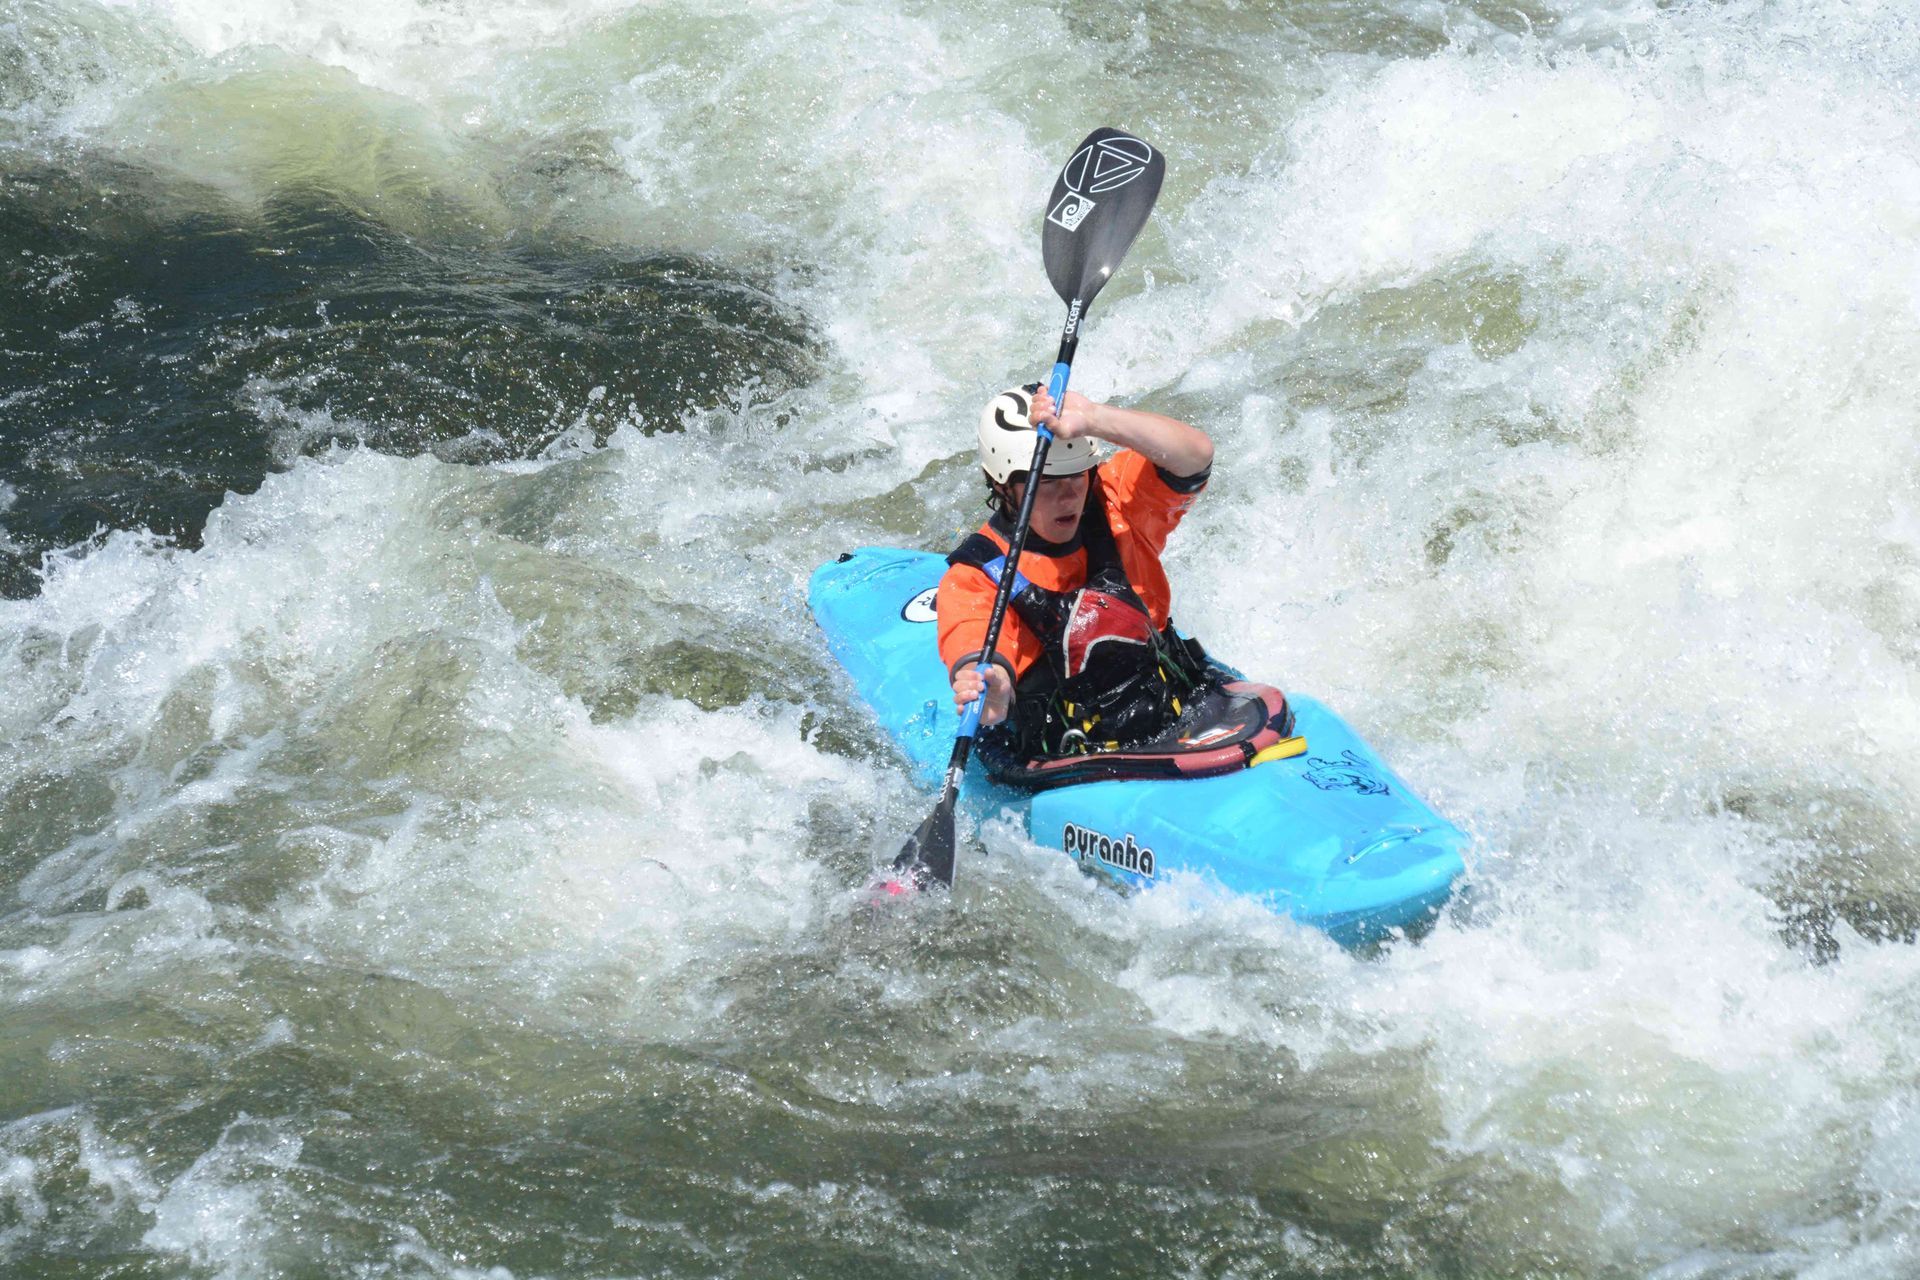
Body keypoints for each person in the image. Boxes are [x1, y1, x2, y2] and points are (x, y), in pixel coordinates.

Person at [937, 383, 1216, 765]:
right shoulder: (978, 576)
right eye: (1047, 484)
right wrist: (993, 690)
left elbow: (1195, 456)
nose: (1069, 496)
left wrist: (1095, 418)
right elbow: (980, 654)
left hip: (1178, 708)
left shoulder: (1115, 502)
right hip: (1072, 754)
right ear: (1003, 486)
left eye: (1076, 475)